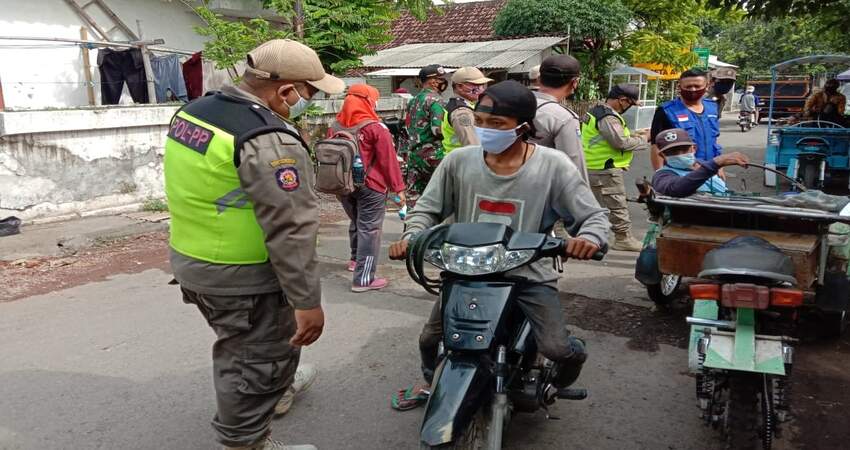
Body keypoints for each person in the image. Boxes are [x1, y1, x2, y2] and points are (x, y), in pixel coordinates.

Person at [387, 80, 610, 410]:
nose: (485, 130)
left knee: (557, 349)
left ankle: (567, 362)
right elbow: (427, 210)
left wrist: (589, 239)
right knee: (430, 338)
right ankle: (432, 380)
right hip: (466, 269)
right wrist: (410, 238)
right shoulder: (459, 161)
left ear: (523, 126)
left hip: (529, 272)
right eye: (480, 121)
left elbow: (593, 217)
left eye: (497, 124)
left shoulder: (553, 165)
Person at [164, 39, 342, 450]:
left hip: (194, 262)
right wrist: (307, 302)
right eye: (309, 92)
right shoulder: (267, 137)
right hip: (245, 279)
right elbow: (291, 229)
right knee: (254, 361)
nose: (307, 102)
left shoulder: (195, 111)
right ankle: (247, 440)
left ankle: (277, 384)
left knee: (244, 347)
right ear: (285, 91)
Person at [332, 84, 406, 292]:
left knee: (356, 222)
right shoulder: (375, 128)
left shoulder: (335, 125)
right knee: (369, 230)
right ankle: (363, 279)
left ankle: (355, 260)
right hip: (371, 186)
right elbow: (388, 161)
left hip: (343, 185)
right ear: (368, 101)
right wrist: (398, 188)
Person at [582, 83, 650, 252]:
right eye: (630, 104)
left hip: (593, 166)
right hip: (604, 169)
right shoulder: (608, 117)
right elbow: (620, 142)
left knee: (585, 203)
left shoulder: (597, 111)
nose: (629, 108)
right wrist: (644, 139)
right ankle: (623, 238)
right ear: (622, 100)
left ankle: (571, 234)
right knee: (617, 205)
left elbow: (608, 137)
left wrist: (634, 133)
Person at [650, 69, 723, 175]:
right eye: (688, 86)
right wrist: (660, 174)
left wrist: (719, 166)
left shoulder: (712, 107)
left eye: (697, 86)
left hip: (711, 170)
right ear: (679, 87)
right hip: (681, 174)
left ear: (707, 86)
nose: (693, 90)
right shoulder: (666, 111)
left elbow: (714, 140)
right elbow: (656, 146)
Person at [530, 54, 588, 182]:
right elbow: (573, 167)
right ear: (574, 83)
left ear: (539, 79)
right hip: (542, 190)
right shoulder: (563, 118)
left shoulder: (512, 103)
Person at [652, 128, 749, 198]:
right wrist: (715, 163)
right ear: (662, 155)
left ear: (694, 148)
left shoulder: (701, 164)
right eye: (672, 152)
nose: (680, 154)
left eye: (684, 149)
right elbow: (676, 189)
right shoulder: (662, 175)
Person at [401, 64, 449, 197]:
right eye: (440, 78)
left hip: (415, 155)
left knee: (415, 195)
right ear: (433, 81)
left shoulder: (413, 101)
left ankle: (415, 218)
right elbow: (437, 130)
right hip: (434, 155)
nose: (442, 81)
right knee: (440, 195)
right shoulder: (436, 100)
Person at [441, 66, 492, 153]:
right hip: (461, 161)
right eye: (476, 85)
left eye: (482, 85)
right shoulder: (462, 113)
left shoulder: (462, 105)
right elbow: (472, 147)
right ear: (460, 87)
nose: (481, 89)